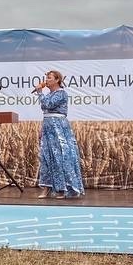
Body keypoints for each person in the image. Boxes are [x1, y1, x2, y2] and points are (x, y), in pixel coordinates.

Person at [33, 70, 85, 199]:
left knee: (60, 156)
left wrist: (39, 92)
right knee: (46, 157)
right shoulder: (49, 94)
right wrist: (42, 128)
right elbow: (46, 111)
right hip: (48, 125)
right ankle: (47, 188)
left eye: (49, 78)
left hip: (58, 127)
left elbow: (48, 104)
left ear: (57, 80)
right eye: (46, 78)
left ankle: (63, 189)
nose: (46, 80)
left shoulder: (61, 93)